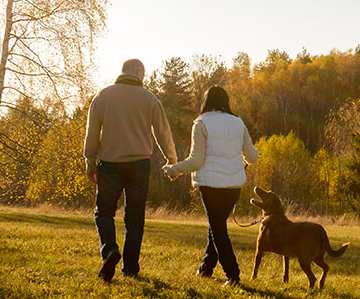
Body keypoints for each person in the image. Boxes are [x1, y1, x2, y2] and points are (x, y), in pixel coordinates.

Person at [83, 59, 178, 282]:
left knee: (104, 212)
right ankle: (130, 268)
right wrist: (171, 159)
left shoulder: (103, 95)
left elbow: (92, 130)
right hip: (139, 165)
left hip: (110, 164)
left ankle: (109, 251)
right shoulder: (149, 98)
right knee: (135, 218)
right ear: (138, 72)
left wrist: (90, 160)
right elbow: (163, 132)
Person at [162, 86, 258, 286]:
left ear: (206, 101)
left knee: (218, 230)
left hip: (211, 186)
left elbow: (196, 161)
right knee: (217, 227)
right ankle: (206, 268)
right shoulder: (238, 122)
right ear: (226, 101)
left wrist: (174, 169)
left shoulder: (201, 123)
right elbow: (252, 156)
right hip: (233, 187)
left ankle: (233, 275)